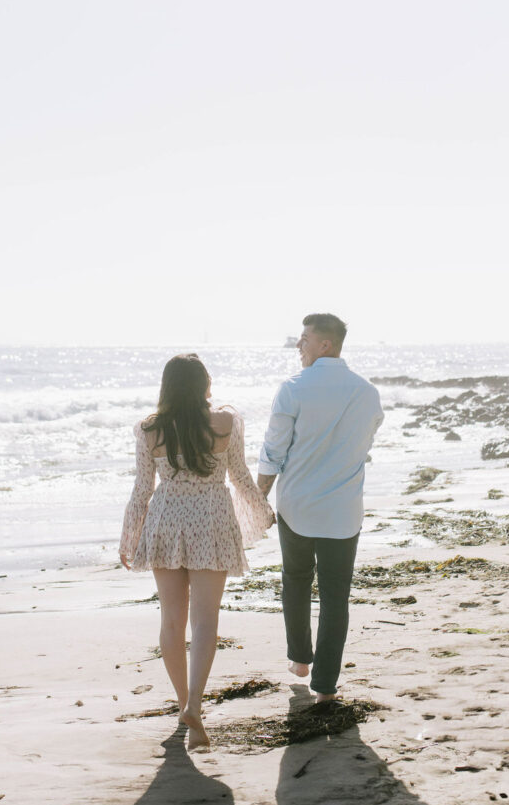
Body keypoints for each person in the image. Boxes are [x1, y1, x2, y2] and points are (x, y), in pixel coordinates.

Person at [119, 354, 274, 751]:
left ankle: (181, 703)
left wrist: (129, 536)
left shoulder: (148, 429)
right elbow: (239, 475)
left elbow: (141, 490)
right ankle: (194, 706)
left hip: (166, 519)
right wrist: (262, 511)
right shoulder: (226, 423)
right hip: (211, 518)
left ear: (167, 388)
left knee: (172, 621)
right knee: (205, 622)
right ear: (203, 384)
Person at [257, 314, 383, 702]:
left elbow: (274, 449)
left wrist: (258, 496)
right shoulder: (366, 392)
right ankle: (325, 683)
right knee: (335, 596)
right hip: (343, 510)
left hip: (297, 506)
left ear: (324, 345)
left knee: (295, 579)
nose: (299, 345)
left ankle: (299, 658)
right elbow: (368, 437)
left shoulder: (293, 388)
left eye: (304, 339)